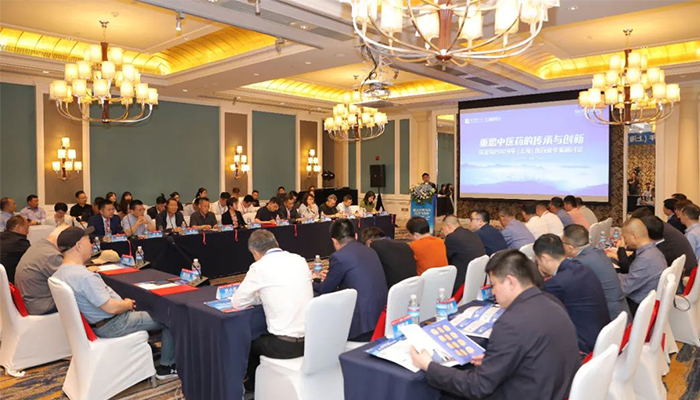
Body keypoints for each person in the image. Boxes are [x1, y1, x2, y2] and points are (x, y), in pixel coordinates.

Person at [411, 250, 580, 400]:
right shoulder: (553, 303)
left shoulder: (511, 323)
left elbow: (477, 387)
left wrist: (429, 366)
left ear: (510, 282)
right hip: (552, 390)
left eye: (494, 285)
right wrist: (495, 359)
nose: (492, 292)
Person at [52, 226, 177, 379]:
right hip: (114, 323)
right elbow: (111, 308)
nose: (92, 245)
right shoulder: (85, 277)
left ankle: (150, 352)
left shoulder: (59, 273)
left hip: (95, 324)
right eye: (88, 241)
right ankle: (166, 367)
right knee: (170, 317)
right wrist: (127, 304)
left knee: (150, 309)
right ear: (78, 246)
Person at [232, 229, 312, 392]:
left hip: (284, 346)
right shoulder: (299, 260)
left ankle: (252, 387)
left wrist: (256, 297)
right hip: (310, 341)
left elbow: (238, 302)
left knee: (247, 343)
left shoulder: (259, 267)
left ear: (255, 252)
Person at [534, 234, 610, 353]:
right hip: (602, 337)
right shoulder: (583, 269)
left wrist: (538, 277)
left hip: (584, 345)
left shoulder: (557, 283)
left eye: (538, 261)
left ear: (544, 258)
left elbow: (536, 304)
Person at [314, 219, 387, 341]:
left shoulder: (339, 257)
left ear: (334, 241)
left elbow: (325, 289)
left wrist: (312, 282)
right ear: (356, 236)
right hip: (380, 322)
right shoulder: (370, 251)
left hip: (361, 328)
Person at [562, 224, 630, 320]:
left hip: (610, 317)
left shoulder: (580, 263)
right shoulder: (598, 252)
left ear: (570, 247)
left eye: (562, 243)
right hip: (622, 313)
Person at [16, 225, 68, 315]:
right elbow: (72, 282)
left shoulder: (39, 246)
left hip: (31, 301)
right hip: (42, 307)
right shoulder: (51, 255)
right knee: (82, 299)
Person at [620, 218, 666, 315]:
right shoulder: (654, 252)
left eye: (625, 237)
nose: (624, 241)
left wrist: (608, 279)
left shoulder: (645, 259)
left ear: (634, 236)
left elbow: (624, 289)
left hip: (638, 308)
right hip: (646, 302)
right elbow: (632, 277)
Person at [441, 215, 486, 295]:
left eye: (442, 229)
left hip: (461, 283)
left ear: (449, 226)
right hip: (477, 280)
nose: (443, 233)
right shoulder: (472, 234)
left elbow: (444, 259)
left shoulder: (452, 237)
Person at [0, 216, 31, 283]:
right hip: (9, 282)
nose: (28, 232)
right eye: (27, 228)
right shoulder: (20, 242)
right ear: (18, 227)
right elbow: (33, 259)